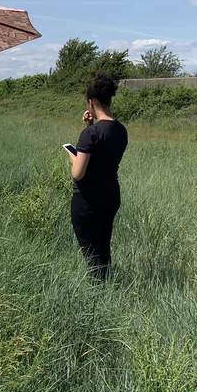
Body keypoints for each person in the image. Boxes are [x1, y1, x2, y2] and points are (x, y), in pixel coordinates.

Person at [66, 73, 128, 281]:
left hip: (88, 199)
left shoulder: (90, 135)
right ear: (109, 100)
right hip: (110, 194)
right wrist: (89, 127)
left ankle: (97, 289)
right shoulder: (121, 130)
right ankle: (107, 282)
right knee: (103, 244)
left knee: (90, 250)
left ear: (90, 102)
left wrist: (72, 157)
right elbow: (102, 155)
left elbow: (79, 173)